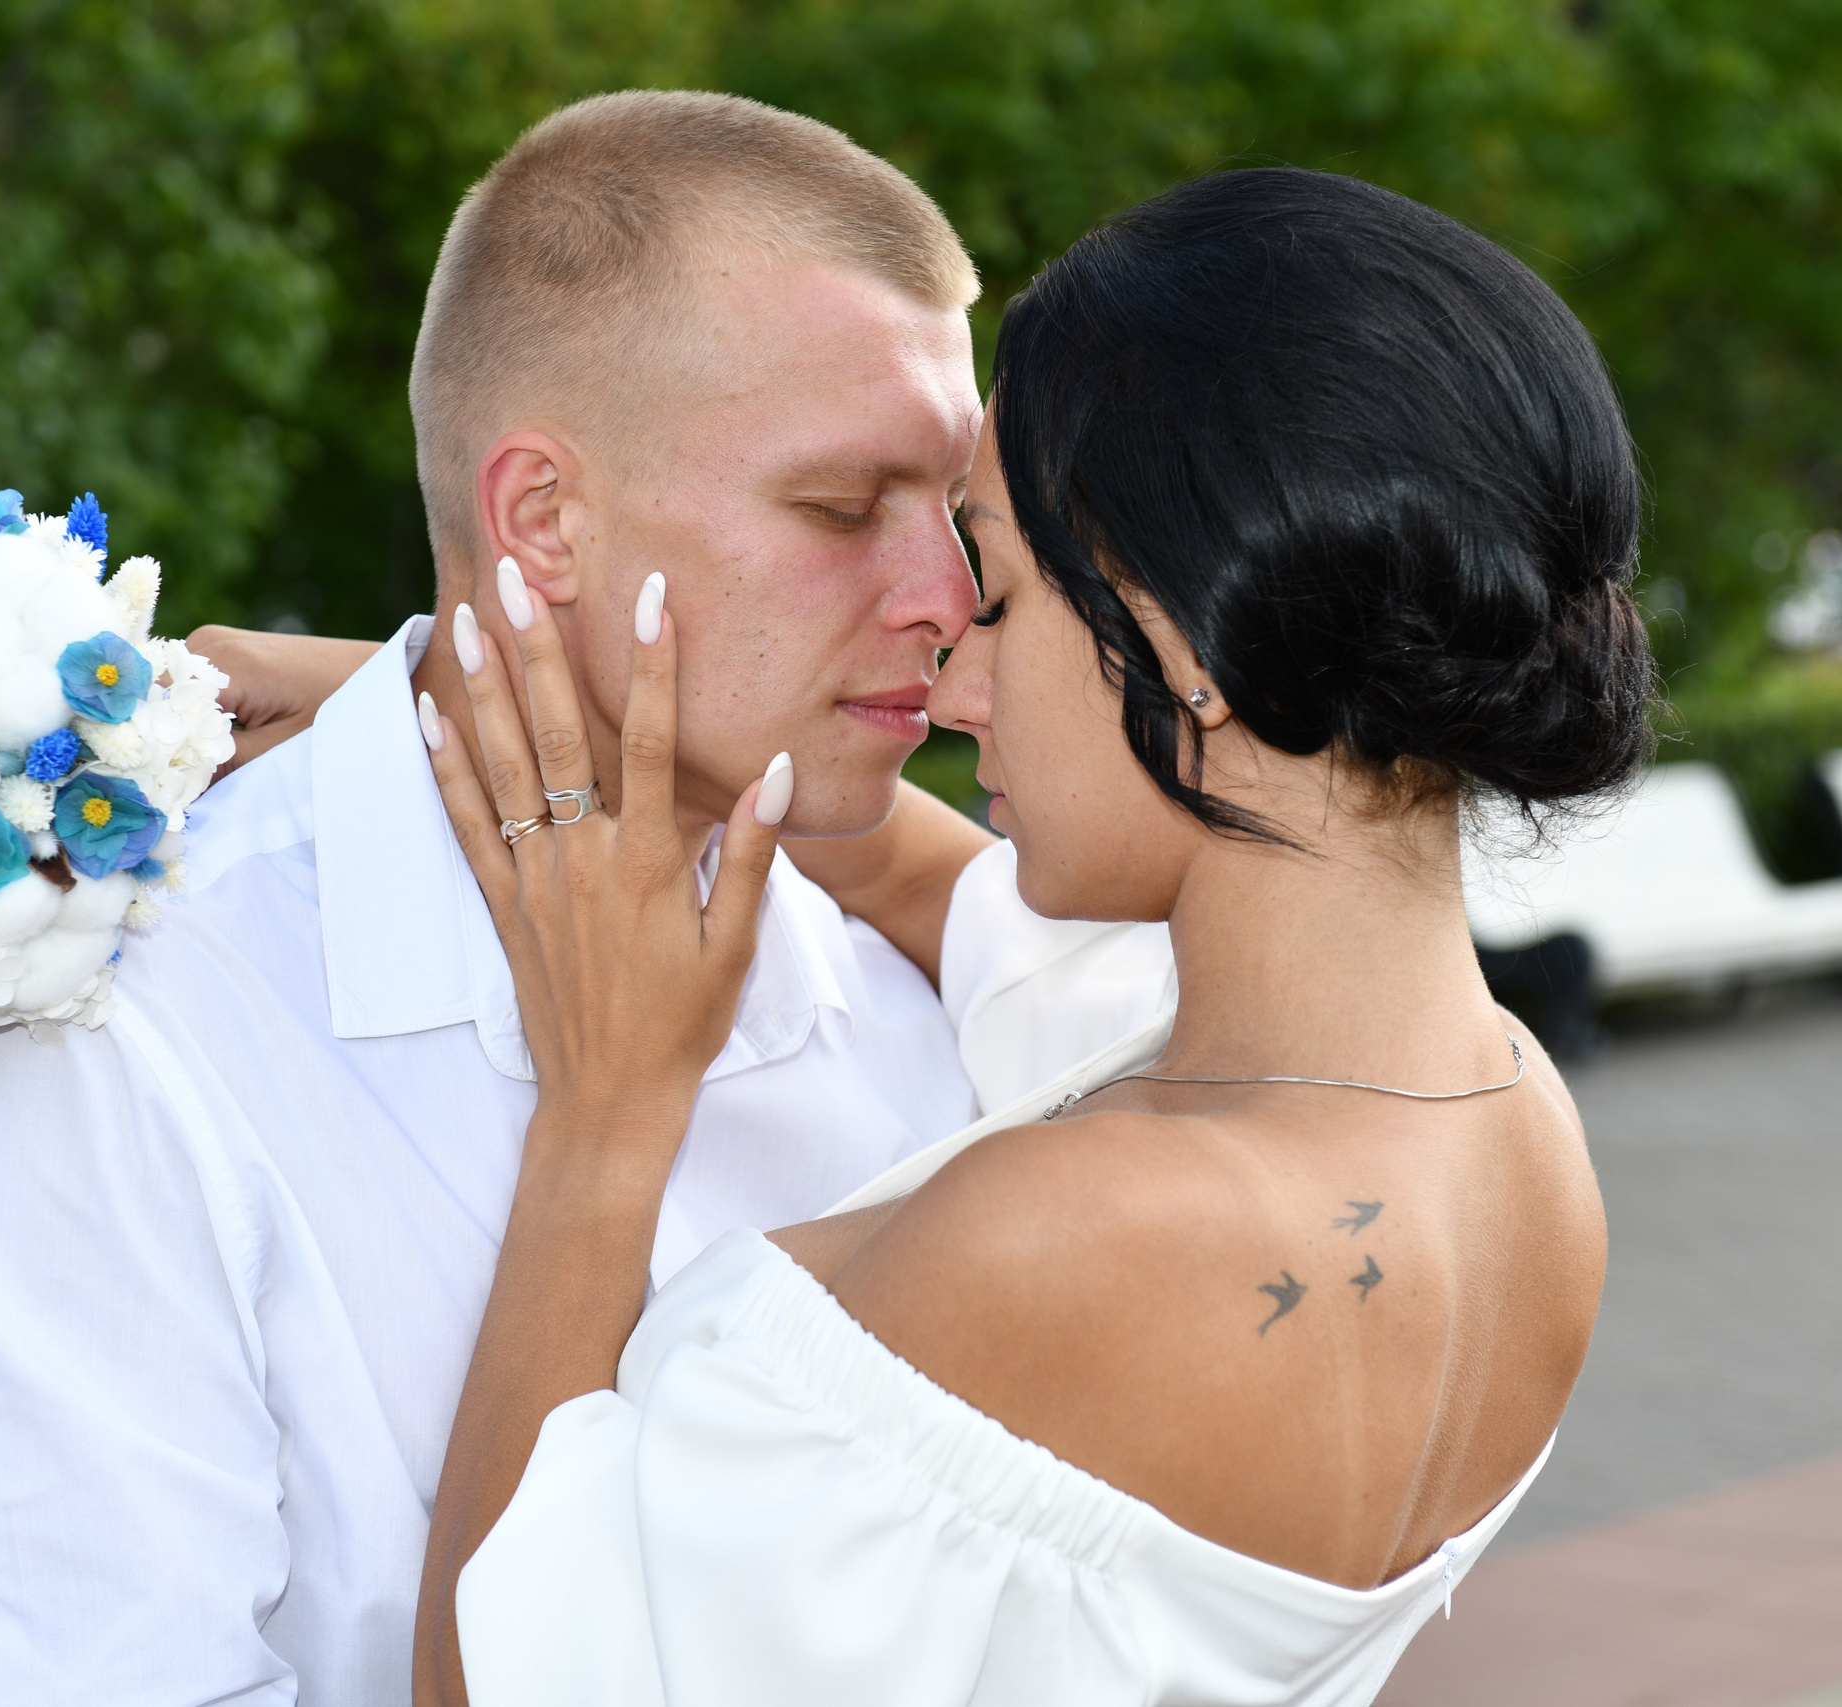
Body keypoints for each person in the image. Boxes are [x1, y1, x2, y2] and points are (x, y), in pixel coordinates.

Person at [0, 91, 1171, 1705]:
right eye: (844, 511)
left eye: (954, 514)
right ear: (542, 521)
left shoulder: (934, 978)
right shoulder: (112, 1028)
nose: (944, 600)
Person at [391, 167, 1644, 1704]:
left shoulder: (1067, 1239)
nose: (950, 683)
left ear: (1185, 642)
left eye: (997, 598)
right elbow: (926, 880)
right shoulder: (1501, 1128)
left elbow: (482, 1678)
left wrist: (607, 1112)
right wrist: (424, 691)